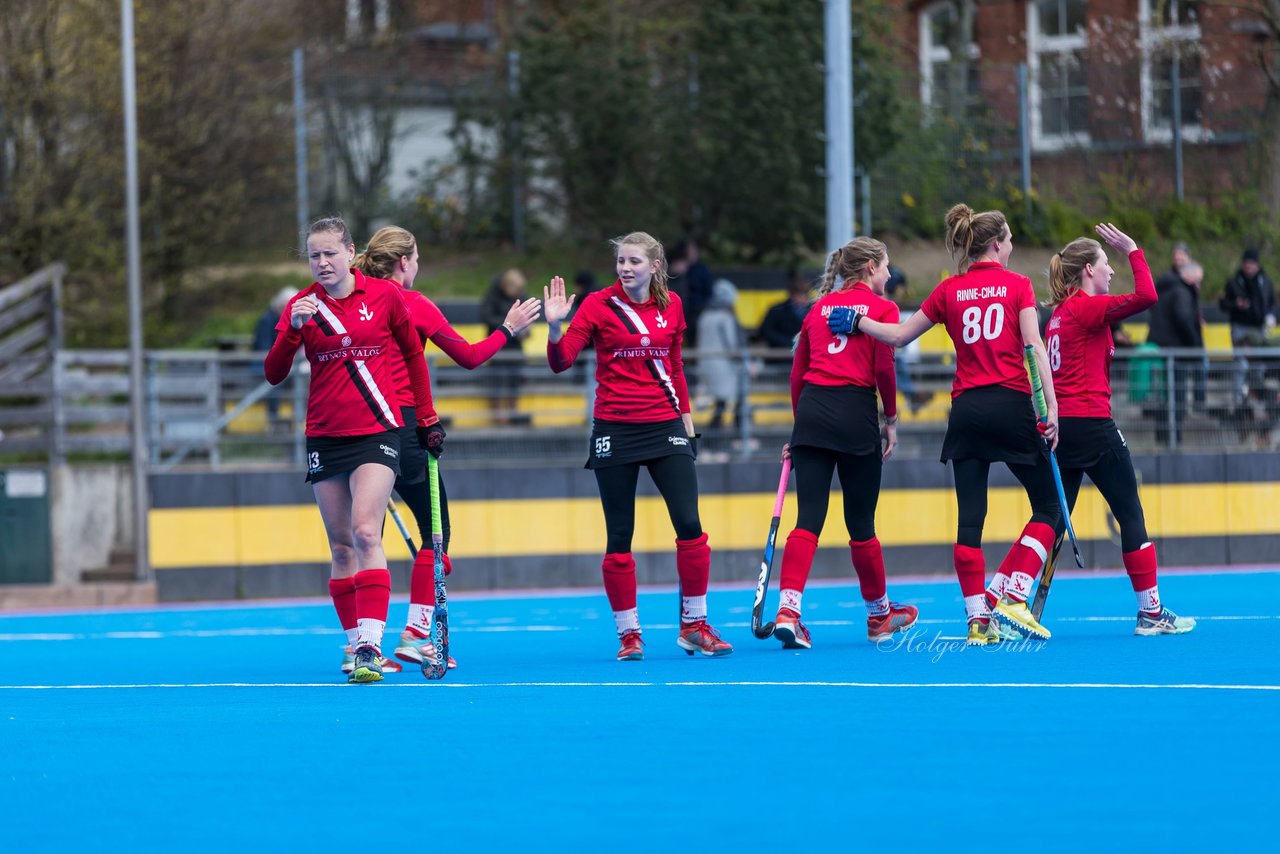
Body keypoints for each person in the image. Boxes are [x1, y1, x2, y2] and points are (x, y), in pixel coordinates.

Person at [829, 204, 1063, 644]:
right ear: (997, 244)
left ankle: (978, 619)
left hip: (968, 410)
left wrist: (858, 321)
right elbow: (1032, 346)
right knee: (1050, 508)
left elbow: (897, 336)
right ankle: (1015, 593)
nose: (1011, 248)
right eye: (1010, 241)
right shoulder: (1017, 285)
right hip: (1011, 404)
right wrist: (1050, 408)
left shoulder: (949, 290)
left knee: (970, 520)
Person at [355, 226, 542, 672]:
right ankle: (417, 634)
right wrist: (508, 329)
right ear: (405, 262)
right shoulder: (411, 303)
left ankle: (363, 644)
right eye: (416, 257)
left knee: (363, 541)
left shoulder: (355, 301)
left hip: (359, 429)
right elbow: (470, 356)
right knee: (436, 534)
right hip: (404, 429)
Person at [543, 231, 733, 661]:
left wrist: (687, 422)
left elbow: (676, 365)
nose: (626, 268)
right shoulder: (597, 305)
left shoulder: (673, 306)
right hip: (615, 429)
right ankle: (629, 634)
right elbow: (562, 361)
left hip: (665, 425)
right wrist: (555, 328)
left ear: (655, 266)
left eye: (634, 261)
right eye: (621, 261)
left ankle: (694, 624)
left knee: (689, 524)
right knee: (620, 534)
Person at [263, 216, 438, 684]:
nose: (322, 263)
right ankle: (351, 642)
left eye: (329, 253)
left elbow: (414, 356)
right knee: (340, 546)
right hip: (324, 434)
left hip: (378, 432)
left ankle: (369, 646)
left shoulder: (385, 297)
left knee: (365, 532)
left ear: (350, 251)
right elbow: (274, 373)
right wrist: (291, 333)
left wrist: (426, 417)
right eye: (314, 255)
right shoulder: (302, 306)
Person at [1045, 223, 1195, 635]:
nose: (1111, 272)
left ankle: (1014, 597)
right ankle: (1150, 612)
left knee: (1053, 517)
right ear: (1088, 270)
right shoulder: (1087, 307)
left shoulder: (1058, 315)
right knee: (1130, 511)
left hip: (1066, 427)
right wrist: (1133, 249)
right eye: (1106, 264)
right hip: (1092, 423)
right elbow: (1147, 295)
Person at [770, 237, 919, 650]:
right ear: (870, 267)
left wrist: (801, 431)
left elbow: (797, 376)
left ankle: (788, 612)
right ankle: (878, 616)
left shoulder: (818, 309)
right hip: (855, 415)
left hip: (813, 414)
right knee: (861, 525)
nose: (890, 274)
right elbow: (885, 370)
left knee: (808, 520)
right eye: (887, 266)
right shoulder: (883, 309)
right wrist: (891, 420)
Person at [1146, 243, 1206, 442]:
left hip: (1160, 344)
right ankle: (1174, 437)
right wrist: (1195, 344)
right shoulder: (1182, 292)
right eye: (1198, 280)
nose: (1199, 284)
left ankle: (1164, 436)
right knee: (1176, 395)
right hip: (1176, 349)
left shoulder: (1165, 288)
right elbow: (1183, 319)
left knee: (1165, 394)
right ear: (1190, 277)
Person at [1220, 248, 1277, 403]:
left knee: (1258, 367)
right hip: (1240, 328)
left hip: (1259, 329)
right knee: (1241, 365)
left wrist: (1271, 316)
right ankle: (1238, 402)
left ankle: (1257, 400)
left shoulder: (1265, 281)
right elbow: (1223, 303)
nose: (1249, 267)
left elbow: (1272, 302)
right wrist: (1235, 304)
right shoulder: (1234, 281)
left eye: (1252, 264)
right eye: (1247, 263)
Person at [696, 278, 749, 437]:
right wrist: (744, 361)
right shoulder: (726, 317)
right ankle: (736, 438)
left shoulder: (704, 315)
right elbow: (732, 345)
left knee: (720, 403)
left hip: (706, 365)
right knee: (733, 401)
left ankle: (714, 438)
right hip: (726, 368)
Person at [480, 269, 532, 425]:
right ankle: (498, 416)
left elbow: (527, 320)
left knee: (515, 380)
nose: (518, 293)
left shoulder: (521, 297)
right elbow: (486, 317)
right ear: (506, 285)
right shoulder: (492, 296)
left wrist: (525, 330)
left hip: (515, 348)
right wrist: (508, 325)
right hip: (497, 347)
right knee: (497, 381)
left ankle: (512, 412)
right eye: (515, 289)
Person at [252, 286, 298, 423]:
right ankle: (274, 420)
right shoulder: (267, 320)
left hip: (285, 364)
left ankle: (296, 419)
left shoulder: (290, 321)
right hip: (261, 364)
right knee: (276, 382)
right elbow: (264, 347)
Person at [757, 271, 812, 360]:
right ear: (792, 294)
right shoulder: (777, 310)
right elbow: (765, 331)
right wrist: (787, 342)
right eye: (800, 295)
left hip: (804, 357)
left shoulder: (812, 311)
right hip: (780, 357)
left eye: (805, 295)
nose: (803, 299)